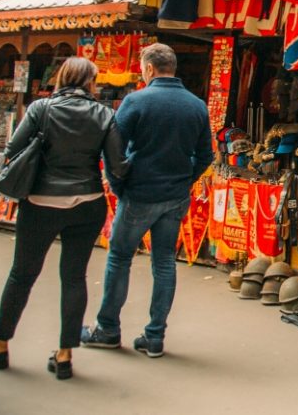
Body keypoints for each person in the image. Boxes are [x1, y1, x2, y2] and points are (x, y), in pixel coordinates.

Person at [0, 57, 127, 380]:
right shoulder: (104, 114)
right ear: (90, 82)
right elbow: (117, 165)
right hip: (87, 203)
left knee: (21, 275)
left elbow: (13, 148)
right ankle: (64, 355)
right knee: (74, 277)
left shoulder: (40, 109)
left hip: (41, 202)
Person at [81, 43, 213, 358]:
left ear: (149, 69)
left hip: (139, 194)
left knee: (120, 257)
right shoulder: (196, 105)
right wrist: (185, 181)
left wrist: (118, 185)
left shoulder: (136, 101)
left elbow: (113, 149)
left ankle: (108, 329)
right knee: (164, 262)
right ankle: (154, 337)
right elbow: (206, 154)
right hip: (174, 196)